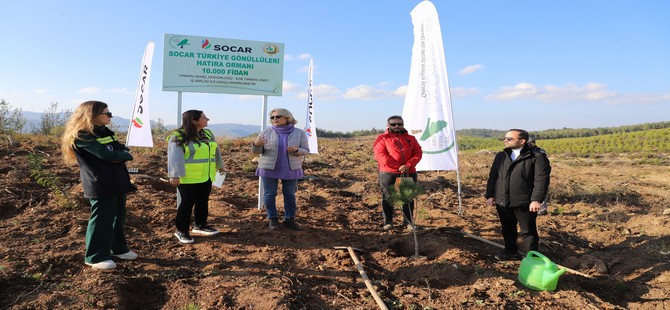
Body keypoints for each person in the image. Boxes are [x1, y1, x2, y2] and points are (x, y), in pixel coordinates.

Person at [61, 101, 137, 270]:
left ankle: (117, 248)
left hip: (117, 180)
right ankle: (95, 256)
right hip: (100, 183)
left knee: (118, 216)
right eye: (107, 113)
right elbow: (106, 155)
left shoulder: (105, 131)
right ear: (92, 115)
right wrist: (121, 155)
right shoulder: (82, 135)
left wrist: (119, 154)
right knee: (102, 219)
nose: (110, 116)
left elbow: (117, 150)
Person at [485, 129, 551, 260]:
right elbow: (493, 176)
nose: (505, 140)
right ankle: (510, 252)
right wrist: (490, 195)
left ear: (522, 141)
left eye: (509, 138)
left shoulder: (536, 157)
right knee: (507, 228)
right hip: (502, 200)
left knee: (528, 231)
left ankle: (530, 258)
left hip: (525, 201)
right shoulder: (501, 156)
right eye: (505, 138)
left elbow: (541, 180)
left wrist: (536, 200)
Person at [167, 110, 225, 244]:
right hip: (188, 177)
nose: (207, 119)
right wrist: (175, 175)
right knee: (187, 204)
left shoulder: (208, 133)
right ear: (194, 121)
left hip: (206, 176)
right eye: (204, 118)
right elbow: (175, 157)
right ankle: (181, 231)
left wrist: (220, 166)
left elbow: (215, 151)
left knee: (202, 201)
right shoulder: (178, 137)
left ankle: (200, 225)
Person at [252, 108, 309, 230]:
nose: (274, 119)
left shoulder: (299, 133)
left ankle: (289, 219)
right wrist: (256, 145)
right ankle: (273, 218)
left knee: (289, 194)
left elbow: (306, 150)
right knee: (269, 193)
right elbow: (256, 152)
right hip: (268, 168)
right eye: (272, 117)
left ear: (287, 118)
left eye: (277, 116)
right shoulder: (265, 132)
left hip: (291, 168)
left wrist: (296, 150)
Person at [373, 115, 423, 230]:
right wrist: (398, 166)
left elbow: (418, 153)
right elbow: (380, 155)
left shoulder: (411, 138)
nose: (397, 126)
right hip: (388, 173)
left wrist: (408, 165)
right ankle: (388, 222)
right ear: (388, 125)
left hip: (408, 172)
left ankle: (408, 222)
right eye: (393, 124)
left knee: (408, 198)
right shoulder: (382, 139)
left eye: (399, 124)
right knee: (388, 197)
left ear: (403, 125)